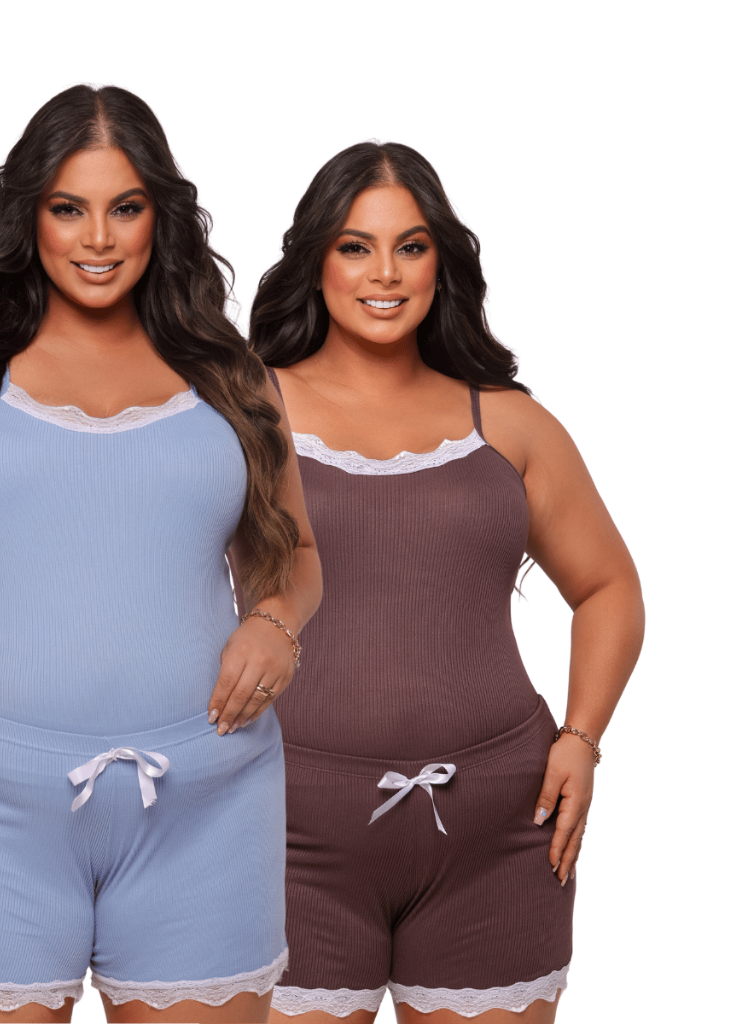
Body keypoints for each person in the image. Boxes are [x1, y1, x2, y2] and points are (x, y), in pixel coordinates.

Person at [0, 84, 321, 1024]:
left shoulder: (230, 375)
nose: (98, 238)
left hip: (210, 804)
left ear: (160, 217)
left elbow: (292, 552)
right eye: (68, 208)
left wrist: (276, 620)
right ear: (30, 215)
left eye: (124, 208)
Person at [248, 142, 644, 1023]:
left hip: (499, 836)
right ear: (315, 260)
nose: (384, 274)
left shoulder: (510, 424)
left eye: (411, 246)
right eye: (355, 247)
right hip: (284, 833)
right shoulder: (241, 410)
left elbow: (609, 586)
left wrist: (582, 739)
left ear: (442, 263)